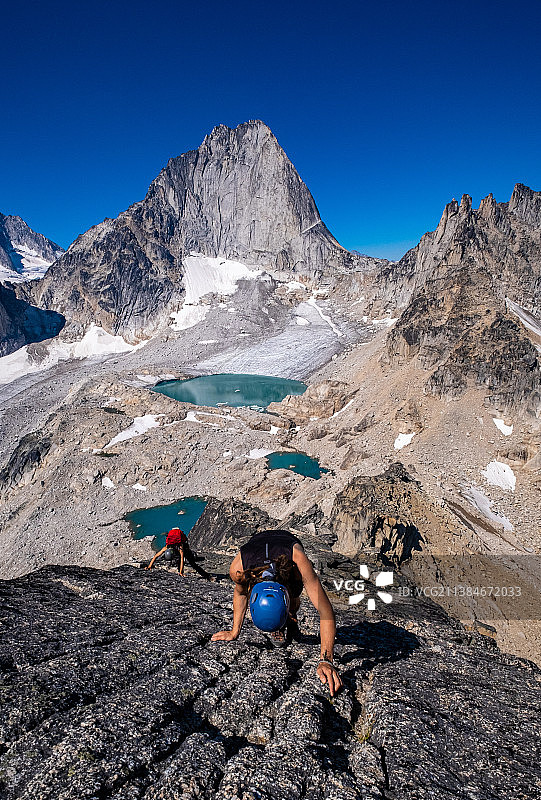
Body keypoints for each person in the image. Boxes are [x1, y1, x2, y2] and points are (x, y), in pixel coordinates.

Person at [211, 529, 342, 696]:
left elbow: (325, 610)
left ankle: (290, 616)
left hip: (286, 544)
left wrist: (326, 660)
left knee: (294, 592)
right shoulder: (239, 569)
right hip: (257, 544)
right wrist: (234, 631)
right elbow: (241, 592)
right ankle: (280, 624)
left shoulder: (298, 562)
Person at [145, 527, 213, 580]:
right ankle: (207, 576)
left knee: (178, 561)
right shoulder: (180, 545)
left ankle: (179, 571)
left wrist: (149, 566)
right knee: (193, 565)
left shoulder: (168, 546)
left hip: (179, 552)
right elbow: (182, 558)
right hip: (186, 551)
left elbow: (156, 556)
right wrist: (181, 572)